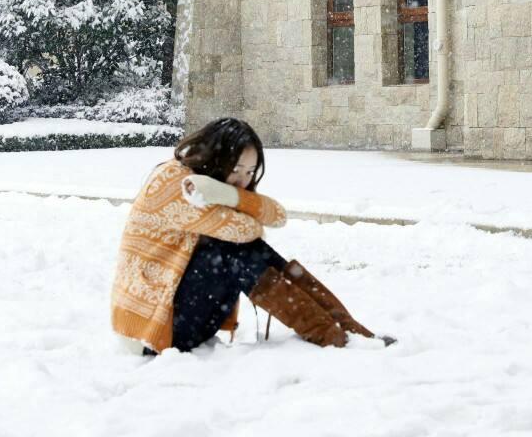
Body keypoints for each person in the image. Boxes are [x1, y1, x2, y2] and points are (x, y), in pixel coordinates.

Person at [110, 117, 391, 354]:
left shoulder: (212, 186)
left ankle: (345, 329)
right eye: (236, 170)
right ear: (215, 158)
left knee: (244, 248)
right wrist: (240, 205)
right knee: (232, 248)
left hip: (181, 317)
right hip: (150, 330)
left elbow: (277, 215)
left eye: (250, 171)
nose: (244, 180)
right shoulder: (176, 182)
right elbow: (245, 229)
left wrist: (228, 193)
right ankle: (334, 337)